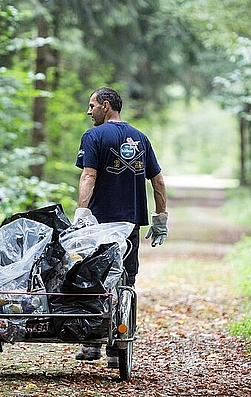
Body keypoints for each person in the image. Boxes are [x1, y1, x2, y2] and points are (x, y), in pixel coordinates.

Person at [72, 87, 168, 367]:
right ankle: (117, 347)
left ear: (105, 106)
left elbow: (89, 175)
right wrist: (161, 217)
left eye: (92, 106)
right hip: (129, 226)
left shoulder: (93, 137)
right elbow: (158, 181)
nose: (89, 112)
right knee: (125, 281)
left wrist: (81, 212)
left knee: (92, 280)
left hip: (99, 224)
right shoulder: (141, 138)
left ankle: (90, 344)